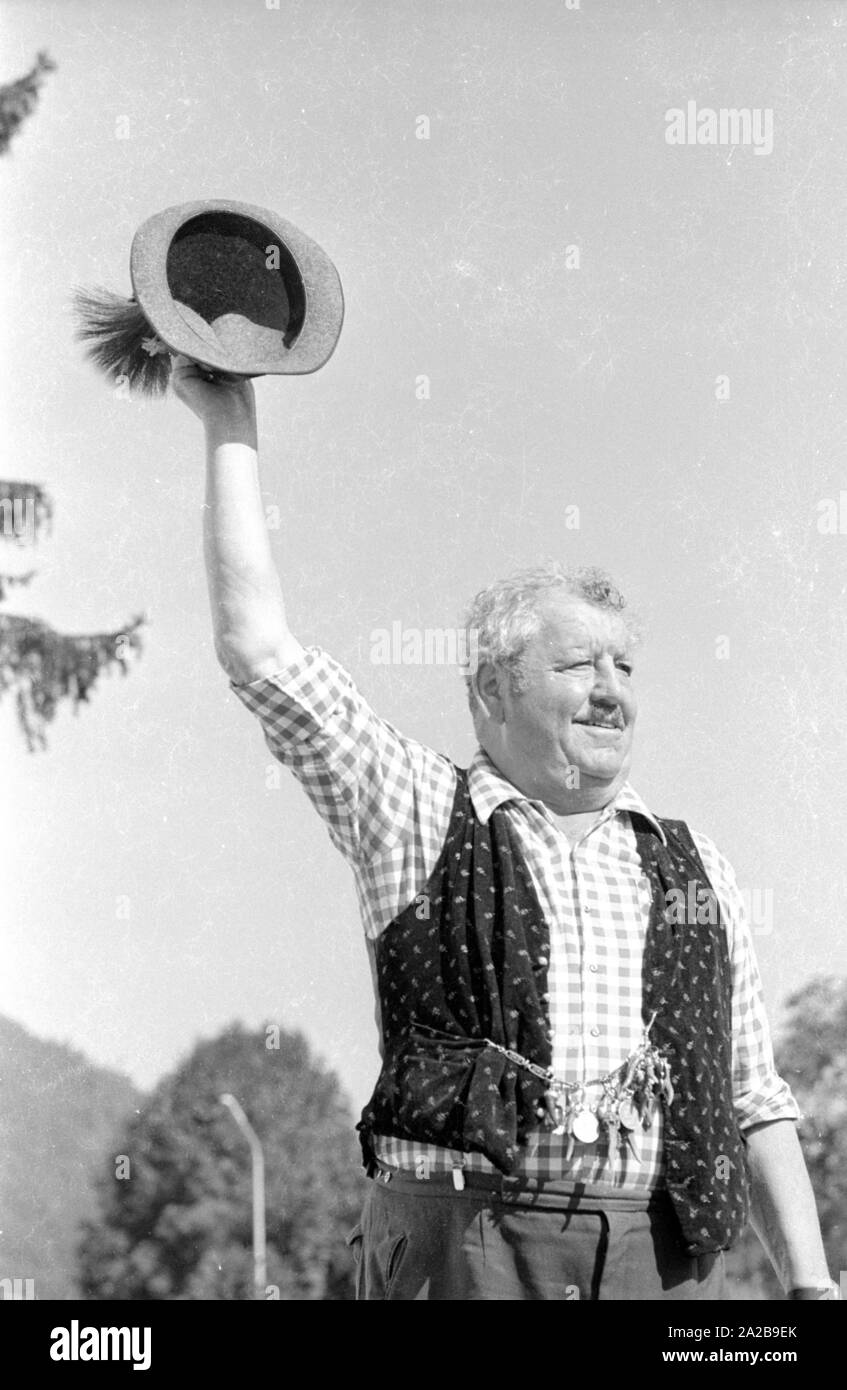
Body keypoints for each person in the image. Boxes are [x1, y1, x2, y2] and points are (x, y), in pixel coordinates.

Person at [173, 357, 838, 1302]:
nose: (609, 689)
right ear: (490, 688)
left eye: (623, 667)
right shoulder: (410, 807)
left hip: (662, 1269)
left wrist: (811, 1292)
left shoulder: (692, 866)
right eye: (576, 664)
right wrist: (229, 428)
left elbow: (752, 1100)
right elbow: (260, 653)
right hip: (457, 1251)